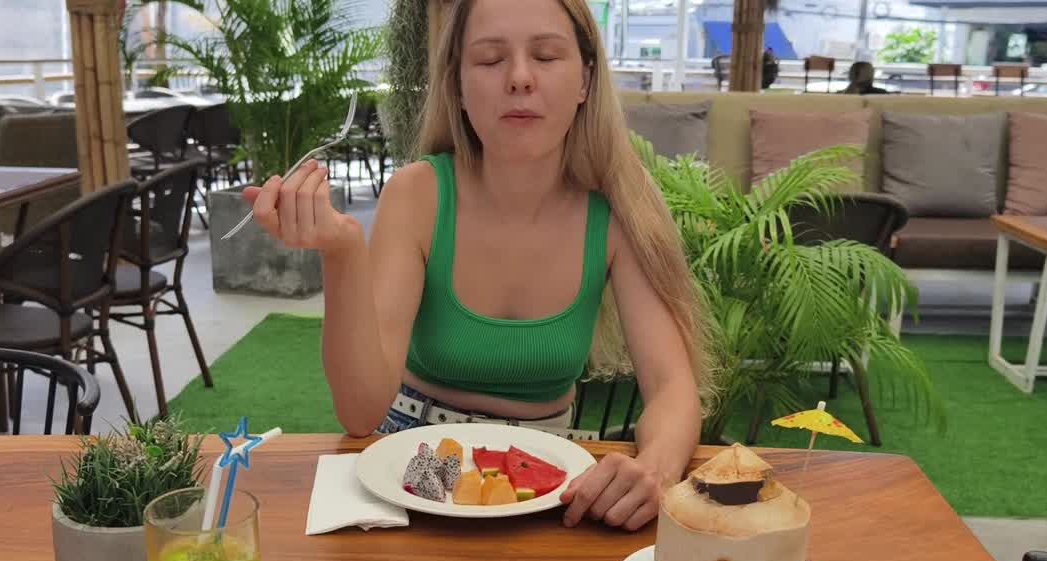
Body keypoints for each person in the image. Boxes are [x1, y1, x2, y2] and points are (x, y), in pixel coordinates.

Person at [241, 0, 705, 532]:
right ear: (457, 87)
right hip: (406, 470)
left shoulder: (620, 206)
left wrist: (656, 469)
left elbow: (672, 387)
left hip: (548, 489)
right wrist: (343, 252)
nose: (520, 78)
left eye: (546, 55)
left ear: (585, 79)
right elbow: (360, 412)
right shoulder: (416, 195)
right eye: (489, 60)